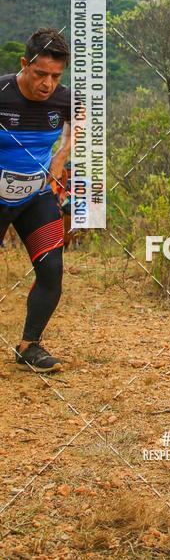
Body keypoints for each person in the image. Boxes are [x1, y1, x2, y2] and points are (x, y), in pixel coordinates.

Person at [0, 28, 71, 373]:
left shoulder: (64, 99)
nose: (48, 84)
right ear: (24, 64)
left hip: (35, 196)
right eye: (41, 73)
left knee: (51, 270)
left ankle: (30, 346)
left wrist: (61, 157)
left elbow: (83, 123)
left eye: (56, 76)